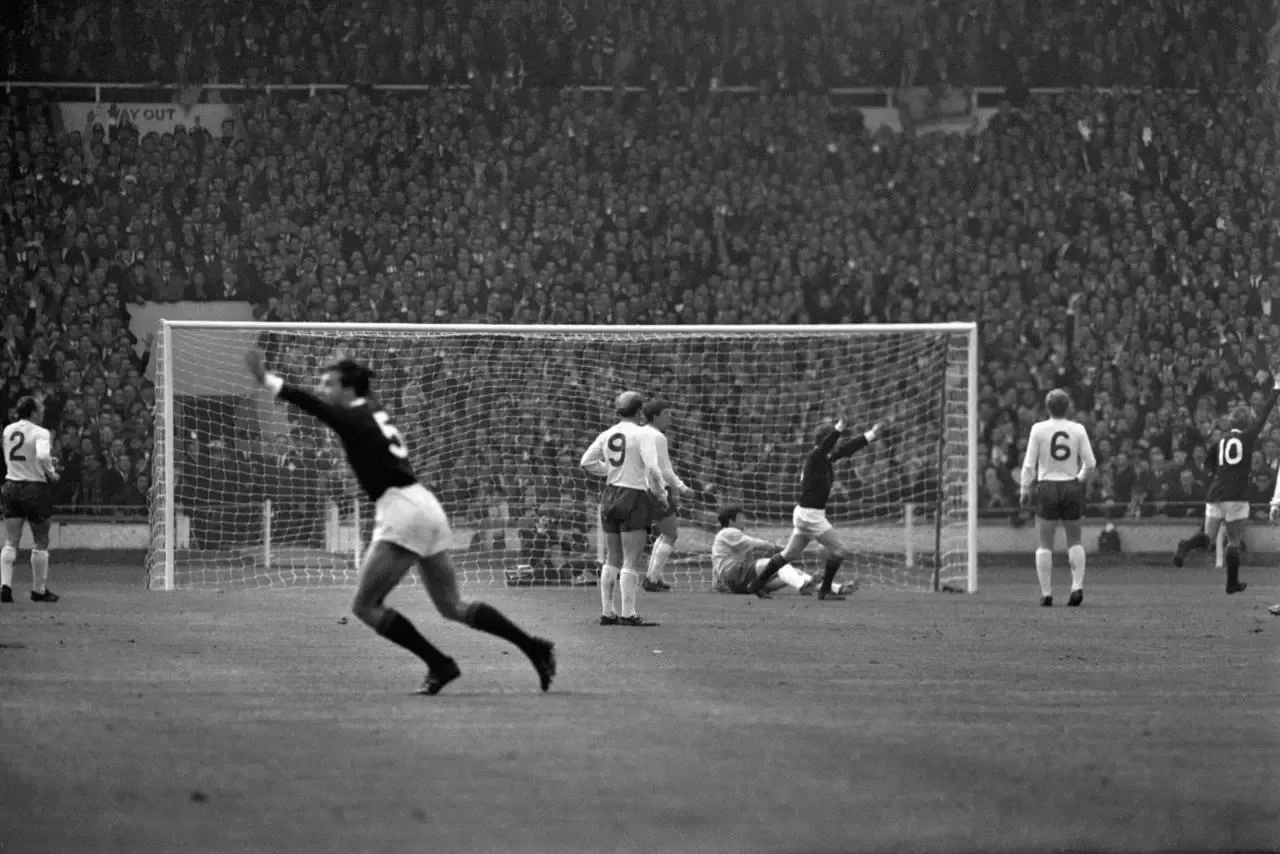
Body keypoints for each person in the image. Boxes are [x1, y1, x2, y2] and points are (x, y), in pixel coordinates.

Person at [244, 350, 555, 695]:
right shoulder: (374, 410)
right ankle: (534, 647)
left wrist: (267, 380)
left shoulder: (355, 416)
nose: (321, 387)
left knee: (364, 606)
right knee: (452, 606)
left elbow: (316, 408)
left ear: (348, 389)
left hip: (401, 510)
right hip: (423, 504)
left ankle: (440, 664)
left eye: (328, 382)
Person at [745, 414, 886, 600]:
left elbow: (847, 449)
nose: (837, 443)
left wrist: (872, 434)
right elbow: (831, 445)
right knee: (840, 551)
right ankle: (825, 589)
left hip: (806, 513)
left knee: (789, 554)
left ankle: (756, 584)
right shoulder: (816, 456)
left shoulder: (823, 458)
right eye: (834, 439)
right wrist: (839, 427)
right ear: (825, 440)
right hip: (811, 515)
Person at [1174, 372, 1280, 594]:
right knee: (1233, 540)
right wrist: (1276, 390)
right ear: (1245, 423)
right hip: (1237, 495)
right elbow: (1263, 417)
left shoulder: (1219, 440)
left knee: (1207, 539)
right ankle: (1232, 582)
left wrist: (1220, 475)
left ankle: (1185, 545)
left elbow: (1209, 465)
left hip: (1216, 493)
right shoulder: (1248, 437)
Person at [580, 391, 665, 626]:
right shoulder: (642, 434)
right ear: (639, 411)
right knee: (631, 559)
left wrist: (609, 471)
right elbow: (653, 469)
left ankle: (607, 612)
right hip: (634, 495)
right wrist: (662, 495)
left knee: (612, 557)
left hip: (610, 495)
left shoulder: (607, 434)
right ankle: (628, 614)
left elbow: (585, 462)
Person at [1018, 388, 1097, 607]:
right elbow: (1090, 463)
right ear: (1068, 407)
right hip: (1070, 485)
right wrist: (1079, 479)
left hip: (1047, 486)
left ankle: (1046, 594)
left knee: (1045, 542)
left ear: (1047, 407)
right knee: (1074, 538)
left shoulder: (1038, 429)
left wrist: (1025, 489)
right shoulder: (1078, 429)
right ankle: (1077, 587)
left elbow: (1029, 463)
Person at [712, 506, 856, 597]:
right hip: (737, 574)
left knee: (793, 573)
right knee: (781, 564)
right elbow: (754, 543)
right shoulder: (728, 532)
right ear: (731, 521)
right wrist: (777, 548)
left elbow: (717, 561)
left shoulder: (727, 537)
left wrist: (717, 583)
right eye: (740, 517)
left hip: (739, 584)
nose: (744, 520)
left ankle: (835, 588)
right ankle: (802, 585)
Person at [1, 397, 61, 604]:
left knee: (11, 540)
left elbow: (11, 456)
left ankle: (5, 585)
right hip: (34, 487)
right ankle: (38, 590)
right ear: (33, 412)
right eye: (40, 408)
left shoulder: (8, 430)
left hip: (10, 485)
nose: (43, 411)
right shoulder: (40, 432)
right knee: (41, 540)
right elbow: (43, 457)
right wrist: (51, 473)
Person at [639, 399, 694, 592]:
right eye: (666, 413)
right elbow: (666, 470)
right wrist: (682, 487)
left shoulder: (639, 432)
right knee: (671, 533)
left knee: (663, 533)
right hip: (655, 489)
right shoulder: (658, 437)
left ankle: (654, 577)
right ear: (655, 416)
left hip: (635, 488)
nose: (670, 416)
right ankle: (652, 580)